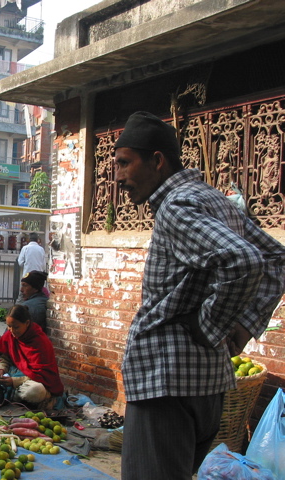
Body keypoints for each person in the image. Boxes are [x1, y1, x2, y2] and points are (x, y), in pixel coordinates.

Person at [114, 111, 285, 480]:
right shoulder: (215, 200)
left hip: (166, 383)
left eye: (125, 163)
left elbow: (246, 261)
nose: (118, 177)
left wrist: (212, 326)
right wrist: (242, 326)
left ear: (157, 161)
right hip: (205, 386)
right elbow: (275, 257)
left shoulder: (176, 206)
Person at [0, 305, 64, 410]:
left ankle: (7, 394)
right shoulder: (10, 335)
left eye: (16, 327)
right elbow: (5, 358)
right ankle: (6, 392)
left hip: (29, 381)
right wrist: (1, 369)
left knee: (35, 390)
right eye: (9, 326)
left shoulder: (40, 341)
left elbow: (41, 374)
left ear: (27, 323)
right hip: (11, 374)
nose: (12, 330)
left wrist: (14, 381)